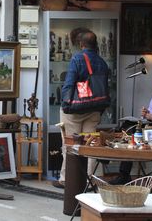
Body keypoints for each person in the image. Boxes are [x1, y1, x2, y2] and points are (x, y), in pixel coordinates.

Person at [53, 31, 109, 189]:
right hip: (94, 109)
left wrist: (65, 103)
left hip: (75, 109)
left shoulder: (78, 58)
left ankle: (67, 179)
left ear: (81, 44)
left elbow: (69, 83)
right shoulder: (102, 62)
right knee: (90, 145)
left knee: (70, 144)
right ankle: (88, 181)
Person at [109, 67, 152, 185]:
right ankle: (123, 173)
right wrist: (146, 113)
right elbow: (151, 112)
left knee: (131, 134)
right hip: (151, 126)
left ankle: (123, 175)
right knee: (127, 126)